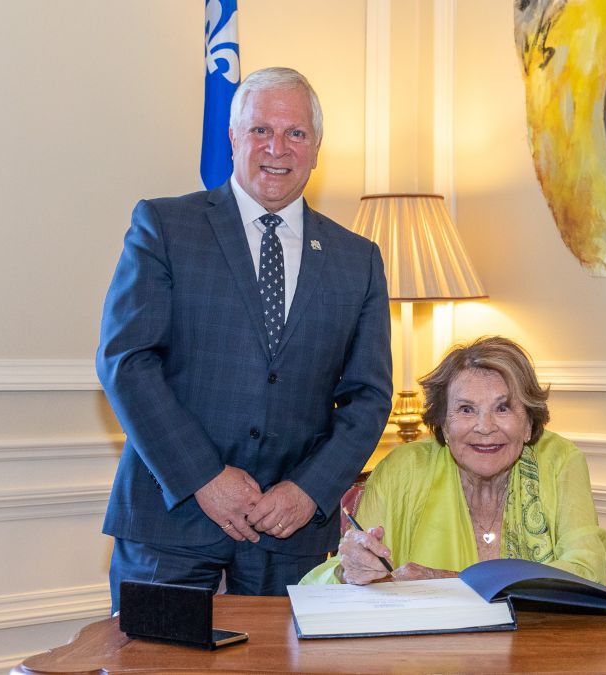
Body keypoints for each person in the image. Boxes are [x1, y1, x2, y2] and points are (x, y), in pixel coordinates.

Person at [97, 67, 392, 607]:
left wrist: (309, 491)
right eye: (260, 130)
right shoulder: (165, 226)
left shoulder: (359, 260)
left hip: (292, 535)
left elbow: (368, 396)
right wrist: (203, 478)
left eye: (295, 133)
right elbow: (127, 360)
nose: (277, 148)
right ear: (233, 137)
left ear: (317, 147)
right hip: (173, 518)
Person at [301, 336, 606, 586]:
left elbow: (586, 569)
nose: (485, 427)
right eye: (466, 409)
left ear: (529, 422)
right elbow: (335, 578)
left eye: (502, 408)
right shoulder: (404, 469)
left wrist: (450, 581)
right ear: (444, 424)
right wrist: (351, 568)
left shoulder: (560, 461)